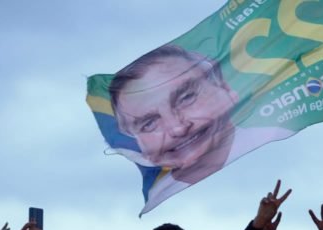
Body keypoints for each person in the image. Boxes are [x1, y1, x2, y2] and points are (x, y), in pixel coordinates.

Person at [108, 44, 294, 213]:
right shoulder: (167, 194)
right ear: (137, 142)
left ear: (224, 87)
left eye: (186, 98)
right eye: (149, 123)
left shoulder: (282, 133)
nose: (178, 128)